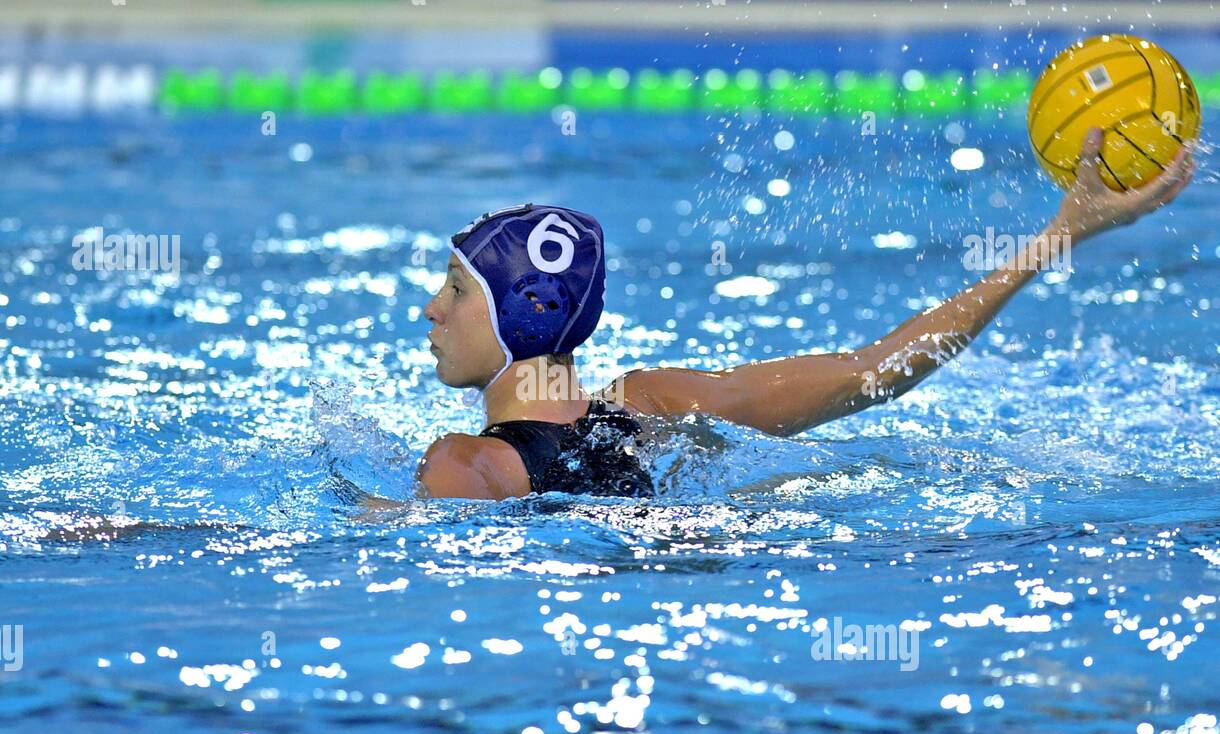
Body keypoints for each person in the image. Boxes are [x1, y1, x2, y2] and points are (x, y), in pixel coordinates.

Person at [417, 129, 1195, 501]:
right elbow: (877, 370)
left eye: (456, 288)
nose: (431, 308)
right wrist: (1061, 233)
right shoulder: (658, 405)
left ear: (521, 312)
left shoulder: (463, 461)